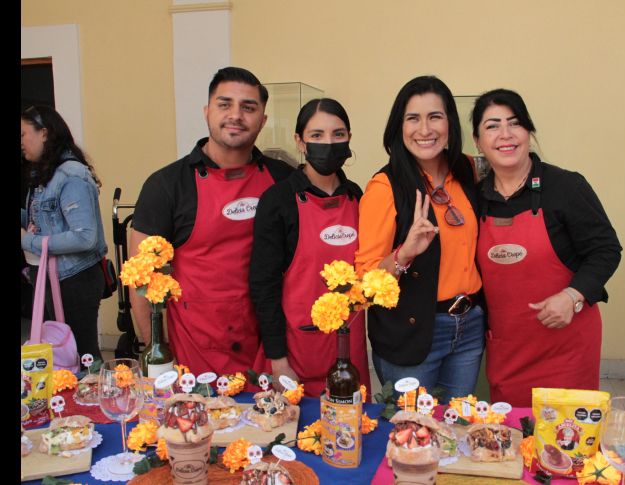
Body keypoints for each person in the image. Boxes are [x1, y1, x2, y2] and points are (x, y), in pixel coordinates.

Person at [130, 67, 294, 379]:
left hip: (268, 349)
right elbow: (141, 281)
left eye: (248, 108)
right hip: (194, 353)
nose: (236, 115)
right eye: (224, 104)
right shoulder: (166, 185)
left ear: (263, 120)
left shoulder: (283, 180)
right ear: (207, 112)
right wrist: (157, 356)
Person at [472, 88, 622, 407]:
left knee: (569, 442)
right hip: (508, 352)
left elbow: (606, 249)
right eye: (492, 126)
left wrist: (572, 296)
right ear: (477, 141)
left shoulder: (566, 187)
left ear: (528, 131)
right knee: (512, 441)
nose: (505, 134)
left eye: (515, 123)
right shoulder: (475, 199)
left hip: (565, 350)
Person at [355, 75, 484, 400]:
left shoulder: (467, 171)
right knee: (410, 436)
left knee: (454, 427)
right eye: (413, 118)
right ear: (399, 127)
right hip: (412, 334)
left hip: (469, 326)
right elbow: (365, 282)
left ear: (450, 124)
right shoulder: (385, 187)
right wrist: (403, 254)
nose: (424, 129)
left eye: (435, 117)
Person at [249, 98, 371, 397]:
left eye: (337, 134)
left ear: (349, 139)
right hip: (295, 351)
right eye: (316, 136)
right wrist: (278, 360)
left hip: (349, 344)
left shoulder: (357, 196)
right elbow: (263, 285)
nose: (328, 143)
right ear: (300, 142)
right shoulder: (278, 201)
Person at [21, 105, 107, 363]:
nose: (20, 142)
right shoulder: (46, 173)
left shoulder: (70, 175)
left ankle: (95, 400)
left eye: (23, 134)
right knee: (62, 356)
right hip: (53, 279)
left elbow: (84, 237)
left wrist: (28, 240)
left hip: (73, 281)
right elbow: (47, 220)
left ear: (44, 133)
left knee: (83, 357)